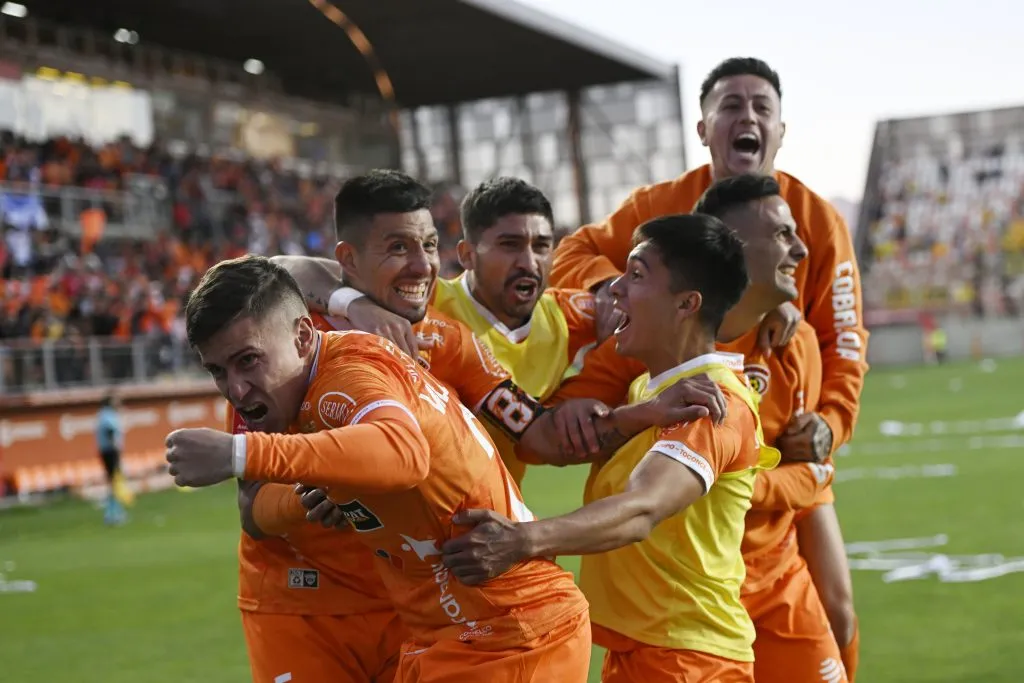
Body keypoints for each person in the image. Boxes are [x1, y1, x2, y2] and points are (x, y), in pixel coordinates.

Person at [549, 56, 865, 676]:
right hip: (694, 550)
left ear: (780, 129)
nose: (746, 117)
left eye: (761, 107)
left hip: (766, 513)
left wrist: (830, 424)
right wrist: (623, 291)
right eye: (730, 105)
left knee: (841, 609)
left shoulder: (813, 235)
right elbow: (575, 255)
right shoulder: (659, 220)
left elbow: (846, 340)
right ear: (703, 128)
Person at [165, 255, 593, 682]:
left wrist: (238, 453)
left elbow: (405, 452)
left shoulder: (345, 378)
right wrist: (306, 491)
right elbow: (255, 509)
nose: (235, 390)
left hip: (507, 635)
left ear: (302, 338)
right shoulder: (292, 383)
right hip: (448, 632)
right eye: (217, 371)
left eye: (248, 361)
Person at [442, 214, 779, 682]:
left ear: (686, 304)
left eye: (637, 275)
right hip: (648, 654)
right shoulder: (649, 391)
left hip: (691, 661)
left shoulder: (713, 402)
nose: (615, 289)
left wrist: (523, 541)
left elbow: (641, 510)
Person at [275, 171, 723, 484]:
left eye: (541, 246)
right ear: (467, 255)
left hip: (488, 512)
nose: (529, 261)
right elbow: (282, 269)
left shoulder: (573, 315)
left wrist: (775, 308)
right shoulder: (419, 301)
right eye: (510, 245)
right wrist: (353, 302)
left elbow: (672, 302)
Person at [696, 175, 848, 683]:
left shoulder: (793, 338)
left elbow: (808, 467)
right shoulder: (664, 342)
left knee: (842, 612)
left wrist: (825, 438)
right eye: (784, 235)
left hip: (778, 574)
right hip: (695, 594)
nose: (801, 249)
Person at [96, 393, 131, 525]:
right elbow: (110, 431)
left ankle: (114, 511)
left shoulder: (105, 414)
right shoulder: (107, 415)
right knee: (114, 481)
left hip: (108, 451)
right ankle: (113, 514)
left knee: (114, 482)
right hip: (110, 452)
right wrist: (115, 449)